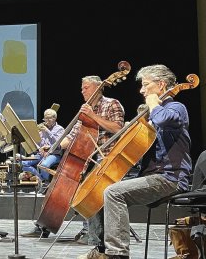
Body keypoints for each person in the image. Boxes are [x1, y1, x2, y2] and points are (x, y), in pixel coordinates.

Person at [78, 64, 192, 259]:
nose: (141, 90)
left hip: (170, 179)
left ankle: (118, 254)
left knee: (113, 192)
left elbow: (165, 119)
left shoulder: (176, 108)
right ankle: (102, 250)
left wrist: (154, 103)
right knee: (100, 190)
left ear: (161, 85)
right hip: (153, 177)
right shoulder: (152, 115)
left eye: (146, 85)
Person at [22, 75, 125, 241]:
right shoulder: (85, 109)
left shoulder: (112, 104)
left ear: (99, 87)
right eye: (82, 88)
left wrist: (93, 115)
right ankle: (44, 225)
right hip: (84, 157)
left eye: (86, 88)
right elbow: (72, 136)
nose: (82, 91)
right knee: (56, 186)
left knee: (87, 191)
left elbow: (118, 128)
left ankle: (90, 232)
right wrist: (54, 147)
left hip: (104, 158)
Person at [19, 108, 65, 188]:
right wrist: (35, 138)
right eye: (45, 118)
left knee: (44, 165)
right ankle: (40, 178)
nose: (46, 120)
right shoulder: (42, 130)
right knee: (22, 164)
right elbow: (38, 144)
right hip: (41, 154)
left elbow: (59, 143)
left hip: (54, 154)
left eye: (49, 118)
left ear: (54, 118)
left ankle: (45, 183)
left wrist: (47, 131)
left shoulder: (60, 129)